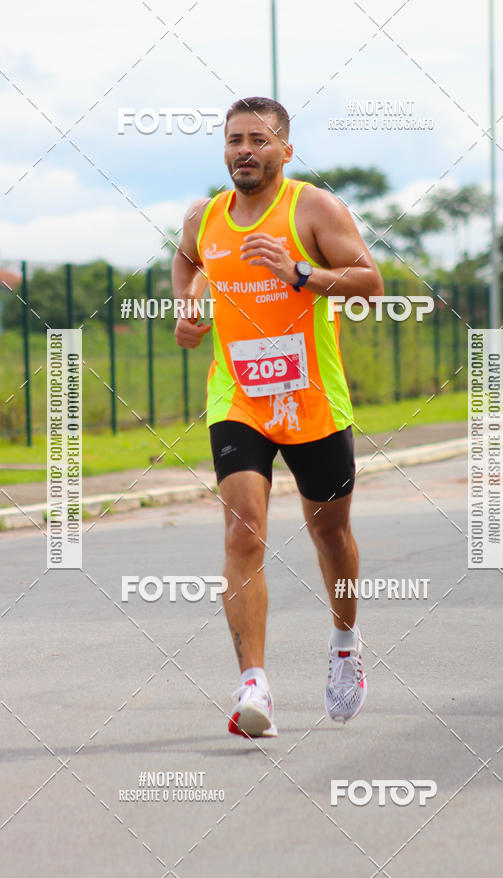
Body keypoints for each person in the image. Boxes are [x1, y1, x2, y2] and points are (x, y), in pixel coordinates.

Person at [172, 96, 384, 738]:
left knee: (329, 535)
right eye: (234, 139)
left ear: (284, 151)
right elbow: (187, 260)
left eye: (259, 140)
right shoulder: (205, 217)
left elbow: (369, 281)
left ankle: (345, 643)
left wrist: (300, 271)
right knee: (244, 532)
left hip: (312, 398)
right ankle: (253, 683)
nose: (244, 150)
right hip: (237, 396)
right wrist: (189, 308)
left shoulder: (313, 207)